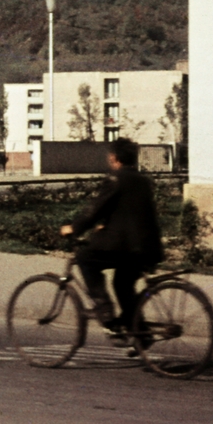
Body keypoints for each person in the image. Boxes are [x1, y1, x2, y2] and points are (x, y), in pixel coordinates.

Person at [60, 138, 164, 332]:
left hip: (126, 246)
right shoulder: (143, 180)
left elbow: (95, 210)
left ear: (114, 157)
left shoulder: (115, 179)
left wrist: (74, 228)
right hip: (148, 247)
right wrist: (106, 225)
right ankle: (137, 331)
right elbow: (129, 212)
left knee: (85, 259)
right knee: (122, 284)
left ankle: (105, 310)